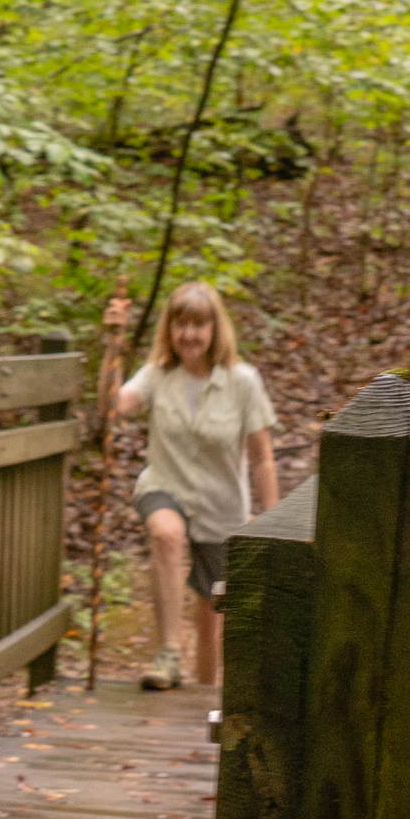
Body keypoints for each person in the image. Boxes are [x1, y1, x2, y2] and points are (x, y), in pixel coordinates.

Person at [106, 283, 280, 692]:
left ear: (215, 330)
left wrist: (272, 521)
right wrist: (113, 345)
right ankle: (168, 652)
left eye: (199, 325)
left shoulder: (243, 382)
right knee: (166, 535)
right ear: (169, 330)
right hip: (165, 486)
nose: (190, 335)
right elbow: (113, 407)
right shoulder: (157, 375)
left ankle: (202, 700)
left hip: (222, 510)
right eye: (181, 324)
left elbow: (262, 458)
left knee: (211, 622)